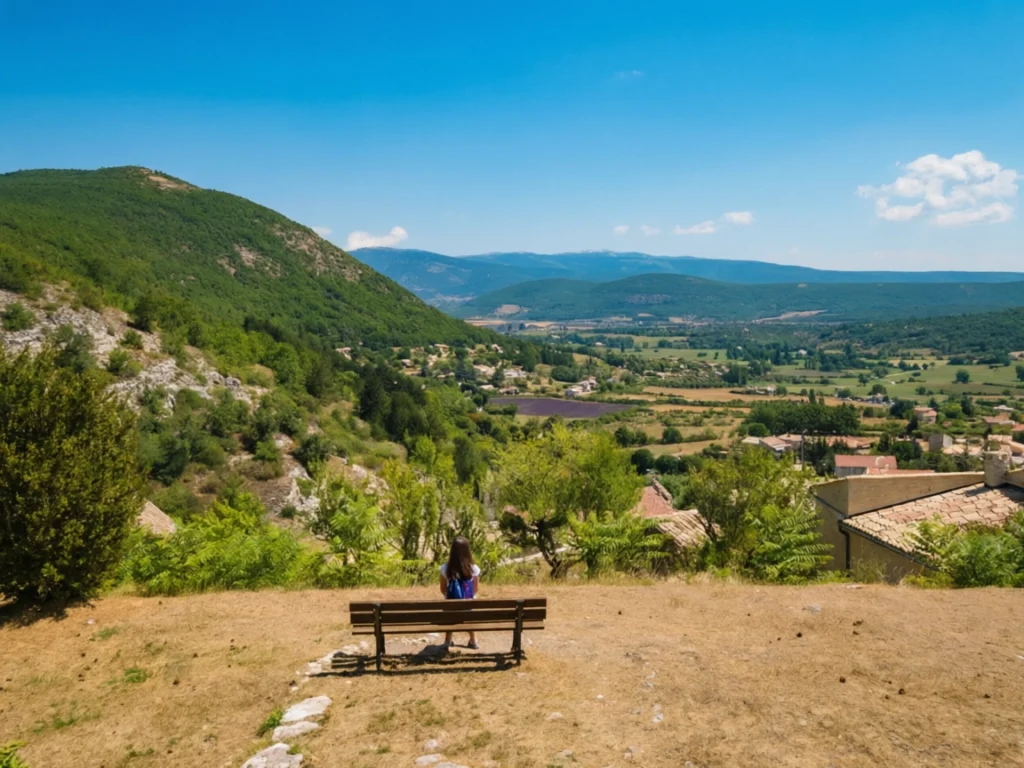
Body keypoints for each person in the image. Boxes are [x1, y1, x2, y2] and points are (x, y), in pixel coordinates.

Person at [439, 535, 481, 649]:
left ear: (452, 551)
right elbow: (475, 590)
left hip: (450, 607)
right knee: (469, 610)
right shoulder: (474, 569)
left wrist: (453, 596)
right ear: (467, 551)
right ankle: (473, 640)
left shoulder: (445, 568)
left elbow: (443, 589)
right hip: (468, 607)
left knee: (449, 609)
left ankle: (448, 640)